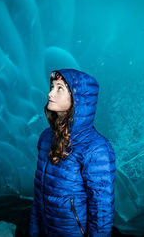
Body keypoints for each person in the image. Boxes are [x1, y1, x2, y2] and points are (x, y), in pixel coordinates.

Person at [29, 69, 116, 236]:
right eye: (52, 87)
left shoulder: (97, 149)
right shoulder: (46, 137)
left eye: (59, 88)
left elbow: (102, 210)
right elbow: (38, 195)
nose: (50, 94)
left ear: (78, 97)